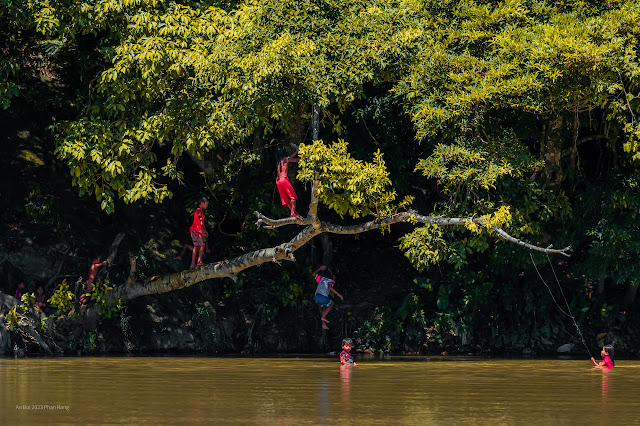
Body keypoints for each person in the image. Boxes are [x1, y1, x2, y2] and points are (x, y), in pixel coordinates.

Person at [275, 145, 302, 219]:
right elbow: (296, 160)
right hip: (284, 179)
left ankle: (294, 213)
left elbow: (290, 157)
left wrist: (296, 151)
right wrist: (303, 157)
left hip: (278, 181)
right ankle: (292, 214)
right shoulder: (285, 159)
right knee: (293, 198)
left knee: (286, 200)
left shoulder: (278, 161)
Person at [312, 265, 343, 330]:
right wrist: (338, 294)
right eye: (334, 277)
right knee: (331, 303)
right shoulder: (331, 281)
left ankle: (323, 324)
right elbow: (329, 287)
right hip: (322, 297)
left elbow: (314, 274)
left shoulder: (321, 279)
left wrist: (320, 268)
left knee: (324, 307)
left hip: (316, 298)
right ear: (333, 277)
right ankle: (323, 317)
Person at [189, 197, 209, 268]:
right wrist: (203, 231)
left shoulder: (197, 211)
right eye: (206, 204)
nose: (207, 206)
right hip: (197, 230)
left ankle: (192, 264)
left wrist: (204, 230)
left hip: (193, 230)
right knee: (202, 245)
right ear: (202, 203)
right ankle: (199, 261)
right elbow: (201, 222)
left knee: (196, 247)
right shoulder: (199, 211)